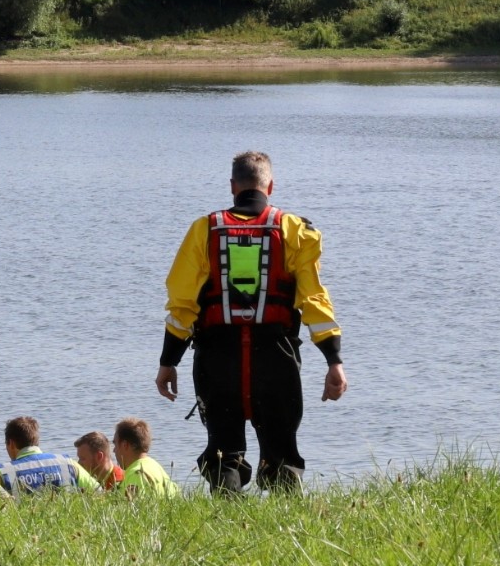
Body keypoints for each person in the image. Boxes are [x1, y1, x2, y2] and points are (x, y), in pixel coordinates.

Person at [155, 150, 347, 494]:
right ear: (270, 186)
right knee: (281, 452)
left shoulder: (204, 230)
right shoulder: (295, 231)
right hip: (275, 359)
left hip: (217, 358)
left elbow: (182, 305)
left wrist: (168, 362)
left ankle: (226, 525)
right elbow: (314, 300)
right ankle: (289, 526)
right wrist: (334, 361)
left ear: (233, 186)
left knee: (224, 451)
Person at [0, 416, 98, 494]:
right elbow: (98, 492)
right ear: (36, 440)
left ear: (11, 444)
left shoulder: (3, 473)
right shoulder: (68, 463)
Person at [111, 418, 180, 497]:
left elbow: (134, 508)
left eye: (115, 444)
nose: (113, 450)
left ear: (125, 445)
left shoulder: (136, 474)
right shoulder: (156, 467)